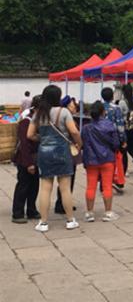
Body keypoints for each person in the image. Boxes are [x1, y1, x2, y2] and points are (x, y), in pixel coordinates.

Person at [27, 85, 82, 232]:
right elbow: (74, 131)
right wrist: (79, 143)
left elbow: (29, 135)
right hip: (62, 151)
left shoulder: (38, 114)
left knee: (45, 188)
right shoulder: (63, 112)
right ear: (58, 97)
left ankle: (43, 222)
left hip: (44, 152)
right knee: (65, 188)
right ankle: (70, 220)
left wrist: (43, 139)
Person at [81, 101, 121, 222]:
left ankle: (89, 213)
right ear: (103, 112)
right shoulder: (110, 125)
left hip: (91, 160)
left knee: (90, 186)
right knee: (107, 186)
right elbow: (116, 143)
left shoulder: (86, 128)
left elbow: (83, 143)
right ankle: (108, 212)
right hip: (107, 159)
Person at [12, 95, 41, 223]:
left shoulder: (38, 120)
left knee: (34, 186)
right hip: (25, 158)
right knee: (23, 186)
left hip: (36, 157)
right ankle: (17, 213)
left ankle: (31, 210)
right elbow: (24, 144)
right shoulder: (26, 121)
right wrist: (29, 163)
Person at [54, 95, 80, 214]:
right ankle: (63, 204)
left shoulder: (59, 117)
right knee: (68, 179)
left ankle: (62, 203)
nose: (75, 108)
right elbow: (74, 132)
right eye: (72, 106)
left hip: (60, 150)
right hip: (68, 151)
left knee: (64, 179)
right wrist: (80, 143)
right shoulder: (68, 119)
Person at [101, 87, 127, 191]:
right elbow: (120, 125)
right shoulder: (116, 108)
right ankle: (115, 180)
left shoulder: (99, 107)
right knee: (114, 160)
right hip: (113, 137)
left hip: (100, 137)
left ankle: (103, 182)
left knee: (103, 160)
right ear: (112, 96)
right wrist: (123, 139)